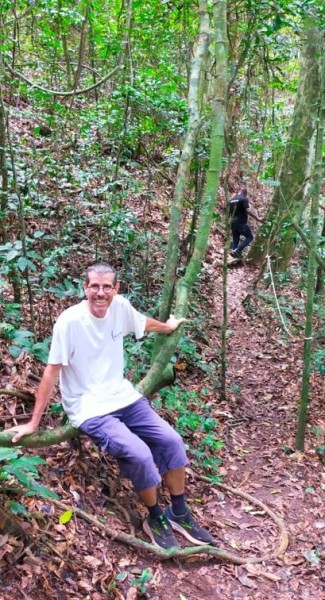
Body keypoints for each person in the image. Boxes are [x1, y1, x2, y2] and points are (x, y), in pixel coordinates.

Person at [9, 262, 213, 550]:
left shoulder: (120, 308)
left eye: (107, 287)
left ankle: (179, 511)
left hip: (122, 396)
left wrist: (167, 326)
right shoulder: (69, 322)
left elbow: (141, 322)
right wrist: (33, 423)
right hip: (88, 406)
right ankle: (155, 517)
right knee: (139, 454)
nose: (100, 292)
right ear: (85, 288)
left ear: (115, 289)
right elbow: (51, 372)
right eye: (94, 286)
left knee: (171, 440)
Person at [229, 187, 263, 259]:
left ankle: (234, 256)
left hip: (233, 223)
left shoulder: (231, 200)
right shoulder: (244, 199)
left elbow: (229, 212)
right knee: (250, 237)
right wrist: (257, 218)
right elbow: (247, 210)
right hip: (241, 222)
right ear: (245, 194)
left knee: (236, 240)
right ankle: (237, 250)